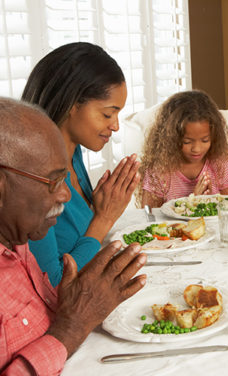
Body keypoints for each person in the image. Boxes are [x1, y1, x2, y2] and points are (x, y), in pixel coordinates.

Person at [0, 97, 146, 375]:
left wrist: (81, 303)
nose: (65, 194)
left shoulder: (18, 244)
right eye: (53, 181)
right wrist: (73, 327)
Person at [21, 42, 140, 287]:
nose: (115, 125)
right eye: (107, 114)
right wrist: (104, 218)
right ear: (71, 104)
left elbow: (82, 241)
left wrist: (99, 210)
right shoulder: (33, 179)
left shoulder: (73, 153)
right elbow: (53, 286)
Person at [138, 90, 228, 208]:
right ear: (171, 139)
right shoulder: (160, 171)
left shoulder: (221, 165)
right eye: (187, 142)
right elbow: (148, 217)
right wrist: (192, 201)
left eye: (205, 140)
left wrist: (210, 201)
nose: (197, 149)